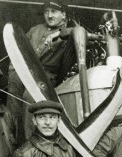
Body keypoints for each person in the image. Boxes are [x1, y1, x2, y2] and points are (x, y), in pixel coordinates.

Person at [7, 0, 76, 142]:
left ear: (63, 15)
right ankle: (10, 135)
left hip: (46, 76)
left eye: (54, 12)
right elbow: (19, 48)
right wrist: (13, 69)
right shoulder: (35, 29)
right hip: (25, 71)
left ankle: (29, 141)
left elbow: (82, 33)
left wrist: (59, 34)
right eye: (46, 12)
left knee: (29, 97)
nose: (49, 15)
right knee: (14, 85)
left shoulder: (71, 30)